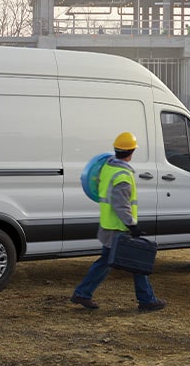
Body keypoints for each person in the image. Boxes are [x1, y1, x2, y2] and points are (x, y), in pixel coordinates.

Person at [71, 132, 166, 311]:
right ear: (131, 152)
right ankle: (146, 300)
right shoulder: (122, 176)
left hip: (108, 225)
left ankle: (82, 293)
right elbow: (121, 205)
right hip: (118, 227)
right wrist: (132, 225)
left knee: (107, 262)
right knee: (137, 262)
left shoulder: (108, 167)